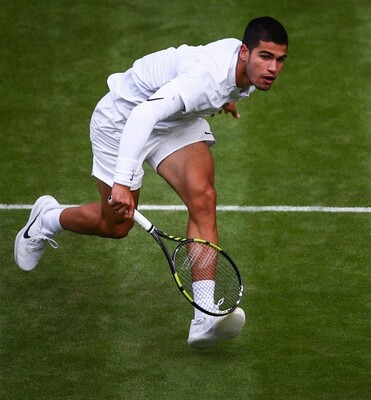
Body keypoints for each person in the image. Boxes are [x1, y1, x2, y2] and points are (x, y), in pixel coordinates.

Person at [14, 16, 288, 349]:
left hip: (172, 121)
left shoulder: (240, 71)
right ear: (244, 52)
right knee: (114, 225)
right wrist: (122, 182)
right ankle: (46, 220)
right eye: (266, 57)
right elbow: (143, 115)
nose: (273, 67)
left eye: (280, 60)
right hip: (123, 120)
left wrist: (227, 98)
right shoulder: (203, 79)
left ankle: (205, 317)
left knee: (203, 198)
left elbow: (208, 88)